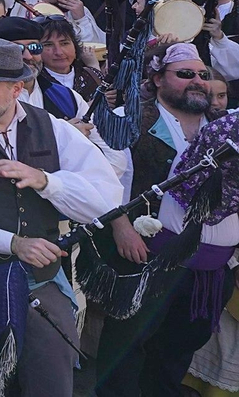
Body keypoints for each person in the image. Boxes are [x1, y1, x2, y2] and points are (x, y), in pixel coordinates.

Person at [0, 36, 117, 397]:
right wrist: (13, 243)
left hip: (40, 279)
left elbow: (105, 199)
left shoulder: (52, 127)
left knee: (53, 374)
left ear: (17, 89)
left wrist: (47, 181)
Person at [95, 41, 238, 395]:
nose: (198, 81)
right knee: (129, 344)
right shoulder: (131, 119)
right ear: (158, 78)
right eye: (185, 73)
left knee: (179, 349)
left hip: (211, 269)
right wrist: (121, 226)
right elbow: (104, 179)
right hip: (147, 255)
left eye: (203, 74)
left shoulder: (223, 126)